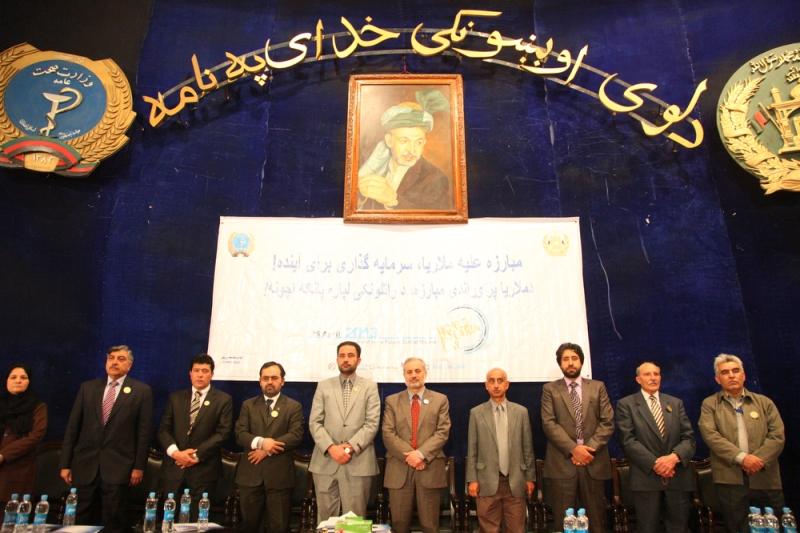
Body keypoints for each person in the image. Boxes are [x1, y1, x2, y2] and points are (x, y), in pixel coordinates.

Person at [60, 345, 153, 533]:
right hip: (85, 465)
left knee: (114, 520)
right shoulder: (88, 388)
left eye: (120, 359)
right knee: (80, 519)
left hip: (119, 467)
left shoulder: (141, 391)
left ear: (130, 365)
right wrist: (65, 463)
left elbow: (144, 433)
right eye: (111, 358)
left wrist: (138, 467)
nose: (114, 362)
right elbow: (73, 428)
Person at [698, 353, 785, 533]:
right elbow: (710, 435)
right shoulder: (710, 404)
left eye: (736, 371)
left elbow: (777, 436)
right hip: (730, 480)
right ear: (717, 379)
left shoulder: (764, 402)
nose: (731, 375)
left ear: (744, 375)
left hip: (765, 477)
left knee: (773, 527)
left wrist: (757, 460)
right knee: (737, 527)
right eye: (725, 372)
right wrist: (742, 458)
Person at [541, 342, 613, 532]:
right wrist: (574, 449)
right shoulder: (550, 389)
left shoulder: (598, 387)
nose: (570, 363)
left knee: (597, 522)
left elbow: (607, 422)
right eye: (565, 359)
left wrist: (587, 450)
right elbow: (549, 423)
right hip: (562, 464)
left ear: (581, 361)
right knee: (564, 523)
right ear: (560, 364)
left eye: (574, 358)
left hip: (593, 461)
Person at [615, 362, 696, 533]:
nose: (653, 378)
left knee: (679, 528)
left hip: (677, 477)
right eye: (647, 374)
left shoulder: (675, 403)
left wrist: (673, 458)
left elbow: (689, 438)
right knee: (647, 528)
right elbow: (628, 441)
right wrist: (657, 464)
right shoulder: (626, 404)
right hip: (646, 478)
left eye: (656, 374)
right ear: (638, 379)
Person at [309, 341, 380, 523]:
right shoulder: (323, 386)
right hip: (325, 461)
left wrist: (348, 448)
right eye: (342, 356)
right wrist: (332, 448)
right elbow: (315, 422)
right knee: (325, 521)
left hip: (358, 461)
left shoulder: (370, 387)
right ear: (337, 359)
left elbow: (372, 424)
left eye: (350, 355)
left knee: (354, 521)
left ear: (358, 360)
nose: (346, 359)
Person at [157, 353, 233, 516]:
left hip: (203, 470)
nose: (200, 375)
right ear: (190, 373)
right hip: (174, 467)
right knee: (169, 519)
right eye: (196, 370)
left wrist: (195, 456)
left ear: (212, 374)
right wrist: (176, 454)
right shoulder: (175, 398)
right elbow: (163, 430)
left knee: (197, 521)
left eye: (205, 371)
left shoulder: (223, 400)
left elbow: (223, 433)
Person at [382, 357, 451, 533]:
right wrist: (411, 456)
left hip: (429, 467)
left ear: (425, 373)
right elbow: (388, 434)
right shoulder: (391, 401)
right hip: (399, 469)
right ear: (404, 375)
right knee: (399, 525)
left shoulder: (440, 399)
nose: (413, 375)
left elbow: (442, 432)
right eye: (409, 372)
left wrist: (420, 454)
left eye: (417, 371)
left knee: (430, 526)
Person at [234, 361, 304, 533]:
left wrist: (266, 451)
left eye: (274, 378)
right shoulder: (248, 405)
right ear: (260, 381)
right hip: (250, 475)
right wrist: (261, 442)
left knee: (279, 527)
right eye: (265, 378)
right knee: (249, 527)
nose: (270, 382)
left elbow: (295, 436)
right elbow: (240, 434)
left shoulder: (294, 406)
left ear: (282, 381)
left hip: (279, 477)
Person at [357, 89, 453, 210]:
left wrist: (392, 201)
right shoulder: (375, 164)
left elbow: (437, 215)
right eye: (404, 141)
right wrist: (361, 195)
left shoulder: (435, 179)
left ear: (424, 142)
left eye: (418, 142)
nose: (412, 150)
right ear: (389, 141)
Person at [466, 368, 535, 533]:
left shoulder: (521, 412)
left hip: (515, 480)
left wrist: (530, 477)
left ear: (507, 384)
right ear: (486, 385)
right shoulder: (476, 413)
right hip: (486, 480)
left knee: (516, 528)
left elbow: (527, 448)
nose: (496, 385)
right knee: (489, 529)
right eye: (491, 381)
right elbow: (472, 449)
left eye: (500, 380)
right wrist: (472, 479)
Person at [0, 364, 48, 501]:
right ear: (6, 381)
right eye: (13, 377)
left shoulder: (38, 406)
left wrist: (4, 455)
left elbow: (36, 435)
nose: (18, 380)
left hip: (19, 468)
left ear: (29, 382)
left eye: (23, 377)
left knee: (11, 509)